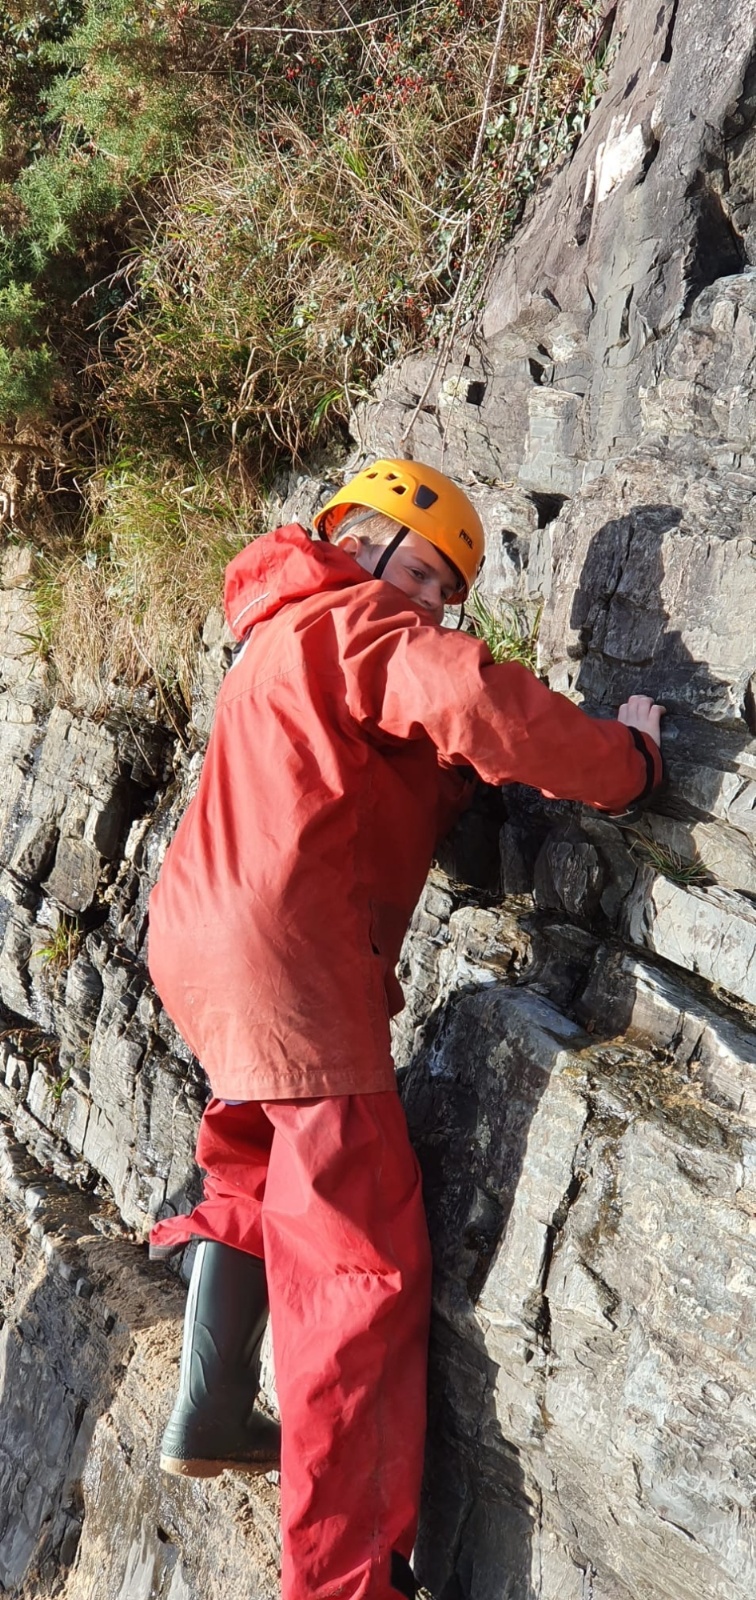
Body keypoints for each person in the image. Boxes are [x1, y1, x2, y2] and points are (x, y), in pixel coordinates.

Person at [147, 458, 664, 1600]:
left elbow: (401, 764)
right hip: (289, 960)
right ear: (358, 545)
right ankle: (345, 1585)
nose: (430, 602)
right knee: (359, 1272)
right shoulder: (355, 618)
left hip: (203, 944)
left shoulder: (280, 633)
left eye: (443, 588)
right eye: (421, 571)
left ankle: (213, 1405)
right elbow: (469, 701)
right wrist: (624, 762)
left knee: (264, 1148)